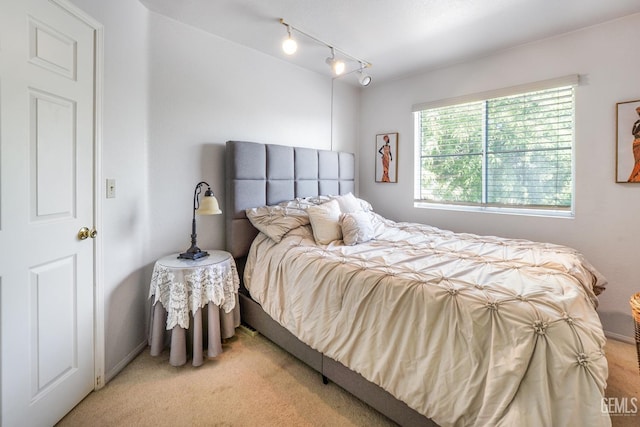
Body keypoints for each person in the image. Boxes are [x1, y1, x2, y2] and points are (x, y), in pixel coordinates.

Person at [627, 106, 640, 182]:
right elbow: (633, 133)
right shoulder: (638, 123)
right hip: (636, 143)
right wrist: (635, 123)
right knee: (637, 160)